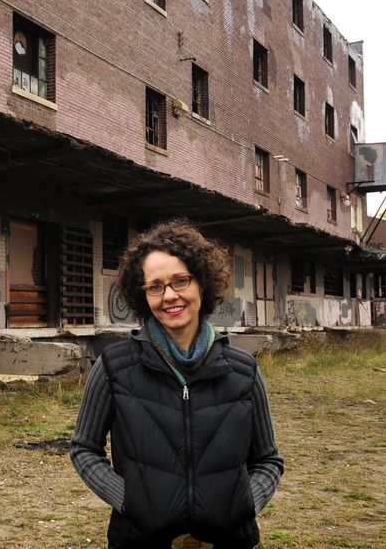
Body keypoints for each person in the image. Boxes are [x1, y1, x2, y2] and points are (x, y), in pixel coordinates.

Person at [70, 219, 283, 549]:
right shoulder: (114, 367)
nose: (169, 296)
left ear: (201, 283)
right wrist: (130, 501)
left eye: (180, 281)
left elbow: (268, 460)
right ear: (143, 296)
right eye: (155, 287)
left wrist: (242, 506)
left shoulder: (244, 371)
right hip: (140, 539)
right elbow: (84, 449)